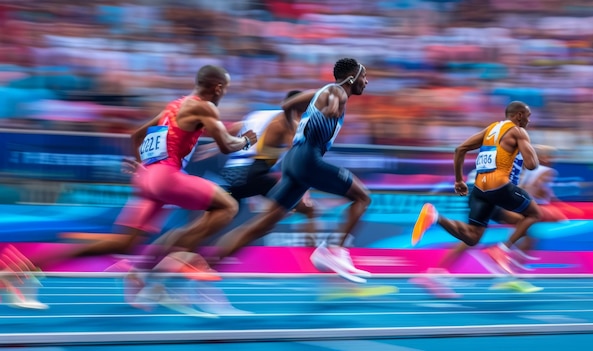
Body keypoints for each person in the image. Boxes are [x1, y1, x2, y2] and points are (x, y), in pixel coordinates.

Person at [18, 65, 258, 308]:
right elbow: (227, 145)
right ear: (218, 87)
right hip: (166, 178)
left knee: (122, 243)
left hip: (149, 179)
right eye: (225, 89)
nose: (223, 94)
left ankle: (25, 269)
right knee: (227, 206)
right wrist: (247, 140)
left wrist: (141, 165)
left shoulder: (174, 106)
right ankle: (166, 265)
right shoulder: (204, 106)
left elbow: (136, 136)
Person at [210, 58, 372, 284]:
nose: (366, 81)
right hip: (307, 159)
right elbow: (334, 102)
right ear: (352, 78)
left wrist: (295, 128)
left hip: (293, 159)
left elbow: (287, 106)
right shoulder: (338, 92)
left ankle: (207, 268)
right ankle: (334, 251)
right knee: (363, 197)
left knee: (261, 225)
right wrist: (330, 110)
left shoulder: (319, 91)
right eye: (364, 77)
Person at [412, 101, 543, 278]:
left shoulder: (490, 130)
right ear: (519, 115)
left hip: (480, 189)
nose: (529, 120)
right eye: (528, 116)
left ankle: (434, 217)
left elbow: (460, 149)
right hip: (500, 186)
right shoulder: (518, 131)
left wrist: (459, 181)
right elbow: (532, 164)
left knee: (472, 237)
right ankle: (501, 250)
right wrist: (527, 145)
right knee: (534, 214)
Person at [219, 90, 317, 246]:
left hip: (232, 174)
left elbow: (236, 127)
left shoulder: (264, 114)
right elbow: (297, 162)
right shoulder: (291, 123)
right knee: (307, 209)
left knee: (218, 216)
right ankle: (310, 257)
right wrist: (304, 192)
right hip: (252, 174)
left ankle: (190, 250)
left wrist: (213, 146)